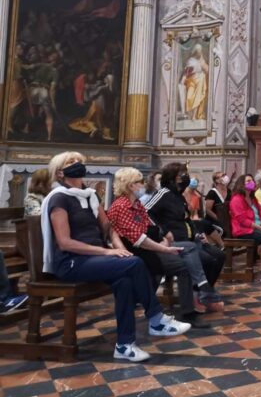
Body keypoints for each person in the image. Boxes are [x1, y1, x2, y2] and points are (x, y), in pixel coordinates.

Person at [41, 152, 190, 362]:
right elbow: (65, 242)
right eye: (71, 163)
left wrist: (119, 247)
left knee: (125, 280)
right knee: (134, 263)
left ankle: (124, 345)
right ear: (59, 172)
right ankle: (156, 319)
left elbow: (109, 229)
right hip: (71, 261)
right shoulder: (59, 199)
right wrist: (107, 251)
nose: (78, 165)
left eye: (80, 162)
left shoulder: (90, 196)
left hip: (92, 259)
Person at [107, 167, 218, 328]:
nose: (143, 185)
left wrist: (163, 238)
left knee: (185, 261)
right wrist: (164, 248)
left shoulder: (136, 203)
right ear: (130, 185)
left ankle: (187, 310)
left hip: (150, 247)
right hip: (136, 251)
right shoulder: (122, 205)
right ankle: (162, 311)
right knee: (178, 263)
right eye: (140, 182)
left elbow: (150, 224)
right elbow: (137, 238)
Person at [145, 163, 225, 310]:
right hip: (177, 241)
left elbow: (187, 219)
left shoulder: (178, 196)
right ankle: (198, 295)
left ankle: (203, 293)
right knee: (207, 259)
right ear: (172, 177)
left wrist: (198, 233)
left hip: (191, 239)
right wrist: (163, 231)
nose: (185, 178)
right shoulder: (163, 193)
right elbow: (146, 212)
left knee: (219, 256)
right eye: (182, 174)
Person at [184, 177, 224, 249]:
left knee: (205, 223)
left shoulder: (196, 196)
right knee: (199, 224)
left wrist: (196, 218)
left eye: (196, 181)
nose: (195, 183)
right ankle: (206, 245)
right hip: (185, 218)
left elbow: (195, 213)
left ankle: (221, 245)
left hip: (192, 218)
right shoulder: (183, 194)